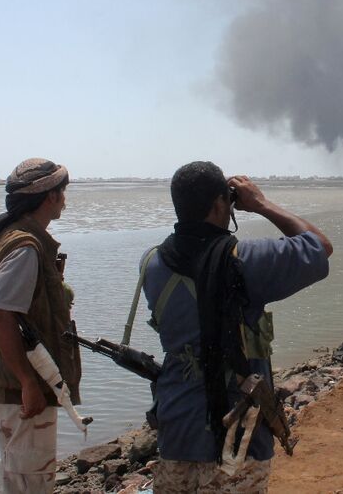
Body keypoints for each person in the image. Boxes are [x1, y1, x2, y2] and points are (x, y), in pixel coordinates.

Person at [140, 161, 332, 493]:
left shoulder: (152, 263)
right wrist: (261, 204)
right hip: (237, 435)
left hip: (177, 427)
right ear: (220, 204)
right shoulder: (245, 259)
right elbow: (320, 248)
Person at [0, 158, 81, 494]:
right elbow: (1, 316)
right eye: (62, 192)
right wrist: (28, 383)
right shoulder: (25, 246)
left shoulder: (14, 236)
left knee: (19, 478)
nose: (65, 199)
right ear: (49, 197)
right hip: (22, 387)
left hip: (10, 383)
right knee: (31, 483)